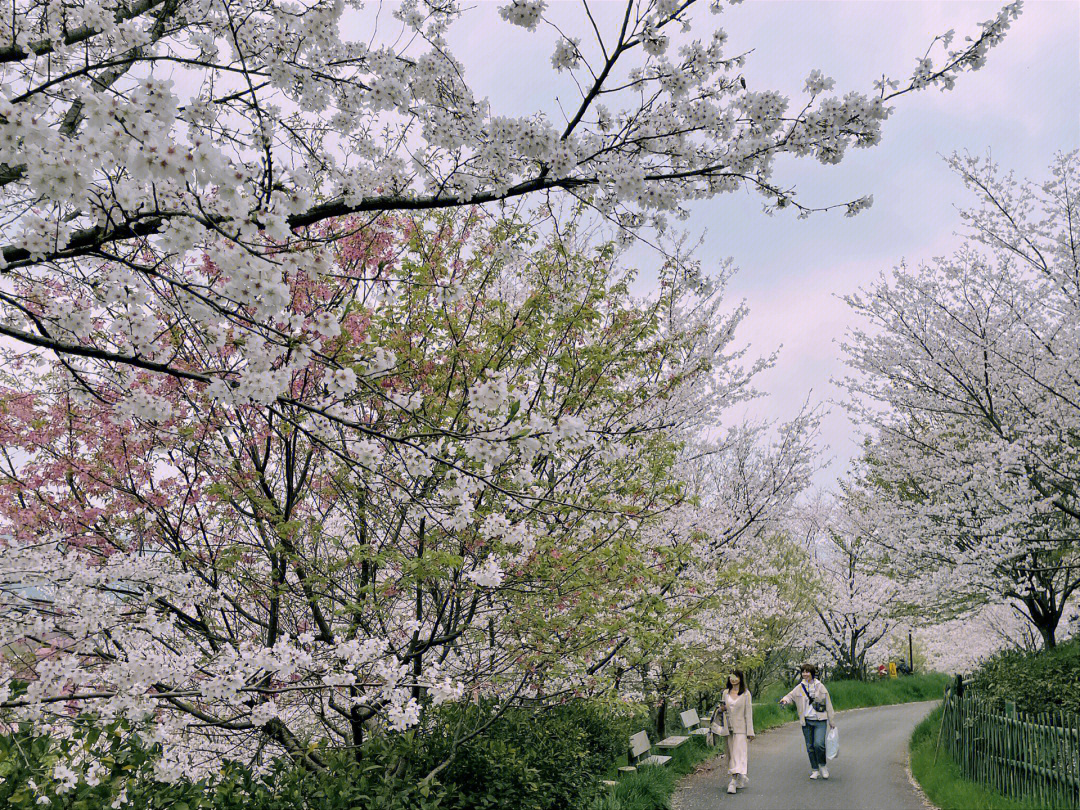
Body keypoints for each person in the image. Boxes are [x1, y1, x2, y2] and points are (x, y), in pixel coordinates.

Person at [779, 663, 835, 780]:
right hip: (807, 721)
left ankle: (823, 766)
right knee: (810, 746)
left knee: (819, 744)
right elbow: (791, 696)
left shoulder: (820, 686)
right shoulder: (800, 687)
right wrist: (785, 700)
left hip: (820, 720)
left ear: (812, 673)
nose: (805, 674)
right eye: (803, 672)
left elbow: (828, 703)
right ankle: (815, 769)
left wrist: (831, 720)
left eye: (807, 672)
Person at [721, 669, 755, 794]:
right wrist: (721, 709)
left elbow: (748, 713)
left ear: (740, 678)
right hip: (728, 728)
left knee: (738, 753)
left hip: (741, 728)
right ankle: (740, 776)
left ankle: (733, 781)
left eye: (735, 677)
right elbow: (723, 710)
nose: (733, 679)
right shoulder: (725, 693)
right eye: (731, 677)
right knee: (731, 754)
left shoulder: (746, 694)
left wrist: (750, 731)